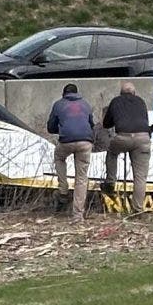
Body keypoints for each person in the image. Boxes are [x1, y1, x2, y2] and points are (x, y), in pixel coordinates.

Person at [45, 83, 98, 222]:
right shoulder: (86, 104)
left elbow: (50, 127)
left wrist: (62, 130)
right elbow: (92, 125)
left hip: (66, 141)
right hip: (86, 142)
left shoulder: (58, 104)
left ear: (64, 94)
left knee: (59, 157)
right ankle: (77, 215)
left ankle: (63, 189)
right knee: (81, 178)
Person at [99, 81, 152, 211]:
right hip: (143, 138)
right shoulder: (141, 101)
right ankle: (137, 209)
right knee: (140, 177)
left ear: (121, 93)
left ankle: (110, 181)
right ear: (134, 93)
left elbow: (106, 124)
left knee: (112, 152)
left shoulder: (116, 101)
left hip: (123, 137)